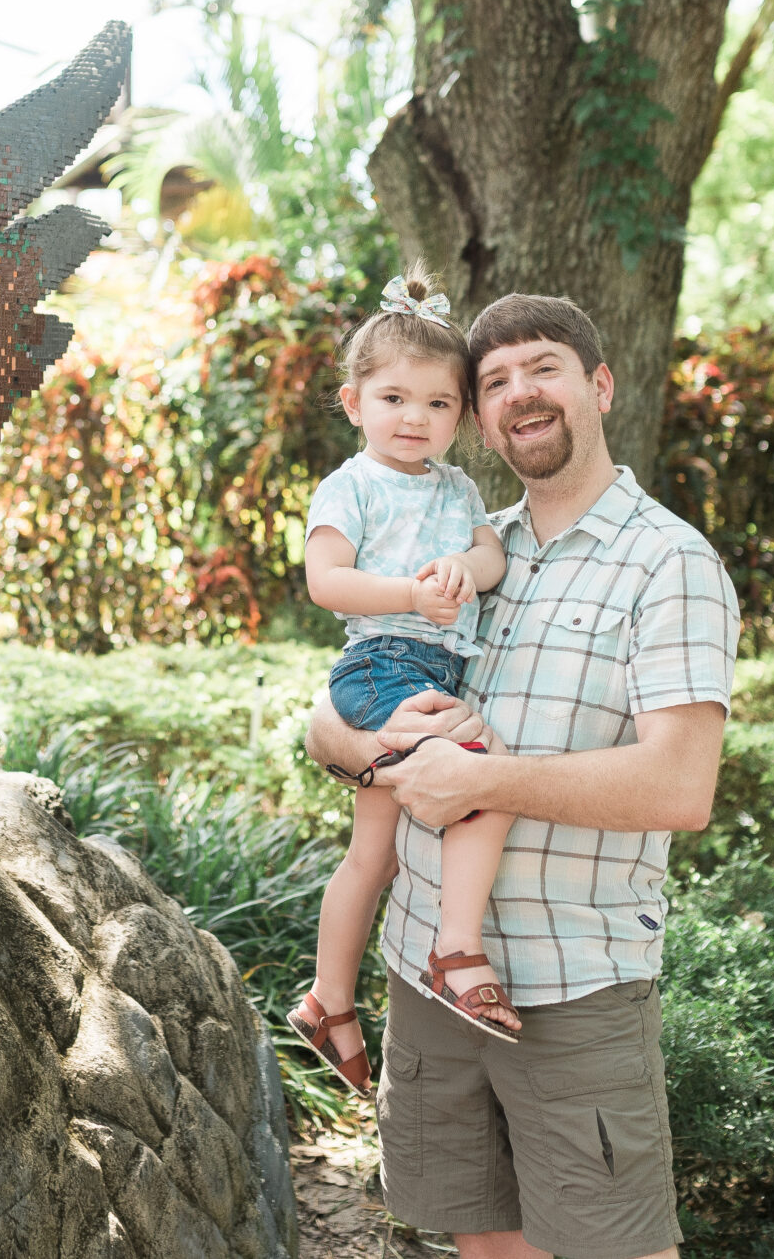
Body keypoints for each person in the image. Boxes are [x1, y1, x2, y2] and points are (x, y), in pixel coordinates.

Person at [305, 293, 738, 1259]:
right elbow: (333, 715)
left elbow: (680, 786)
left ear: (599, 384)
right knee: (489, 1247)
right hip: (428, 970)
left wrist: (485, 785)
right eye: (493, 380)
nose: (517, 394)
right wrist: (355, 741)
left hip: (570, 985)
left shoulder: (669, 562)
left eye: (541, 367)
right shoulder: (464, 544)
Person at [286, 274, 515, 1099]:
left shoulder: (457, 488)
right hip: (383, 662)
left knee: (372, 854)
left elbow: (492, 557)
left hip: (434, 665)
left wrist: (466, 566)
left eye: (438, 404)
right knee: (480, 776)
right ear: (353, 402)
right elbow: (327, 580)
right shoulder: (350, 485)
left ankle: (328, 1000)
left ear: (463, 416)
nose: (414, 418)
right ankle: (457, 948)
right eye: (393, 397)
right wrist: (414, 594)